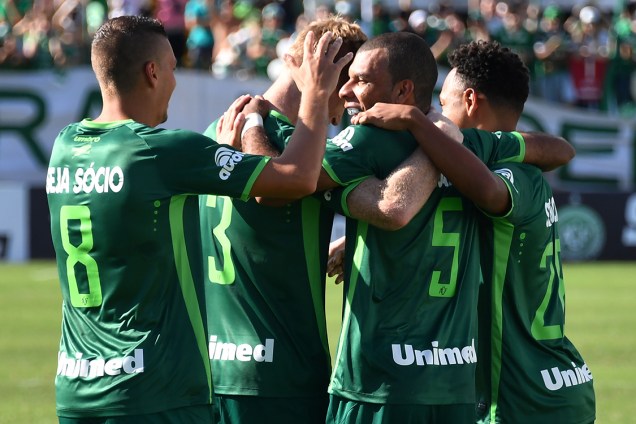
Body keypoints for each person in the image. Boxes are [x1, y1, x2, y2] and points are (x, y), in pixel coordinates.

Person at [46, 15, 352, 423]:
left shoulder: (66, 146)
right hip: (154, 388)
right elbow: (296, 177)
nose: (176, 81)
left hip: (76, 387)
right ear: (152, 72)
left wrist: (214, 160)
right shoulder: (165, 152)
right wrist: (315, 96)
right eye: (173, 68)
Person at [316, 32, 574, 424]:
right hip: (470, 378)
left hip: (488, 388)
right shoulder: (483, 154)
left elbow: (294, 179)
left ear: (469, 101)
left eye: (442, 103)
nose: (438, 111)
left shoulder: (472, 160)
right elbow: (561, 149)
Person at [199, 16, 367, 424]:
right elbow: (275, 187)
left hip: (213, 370)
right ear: (328, 77)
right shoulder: (302, 150)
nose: (347, 104)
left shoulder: (214, 131)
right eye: (350, 86)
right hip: (283, 372)